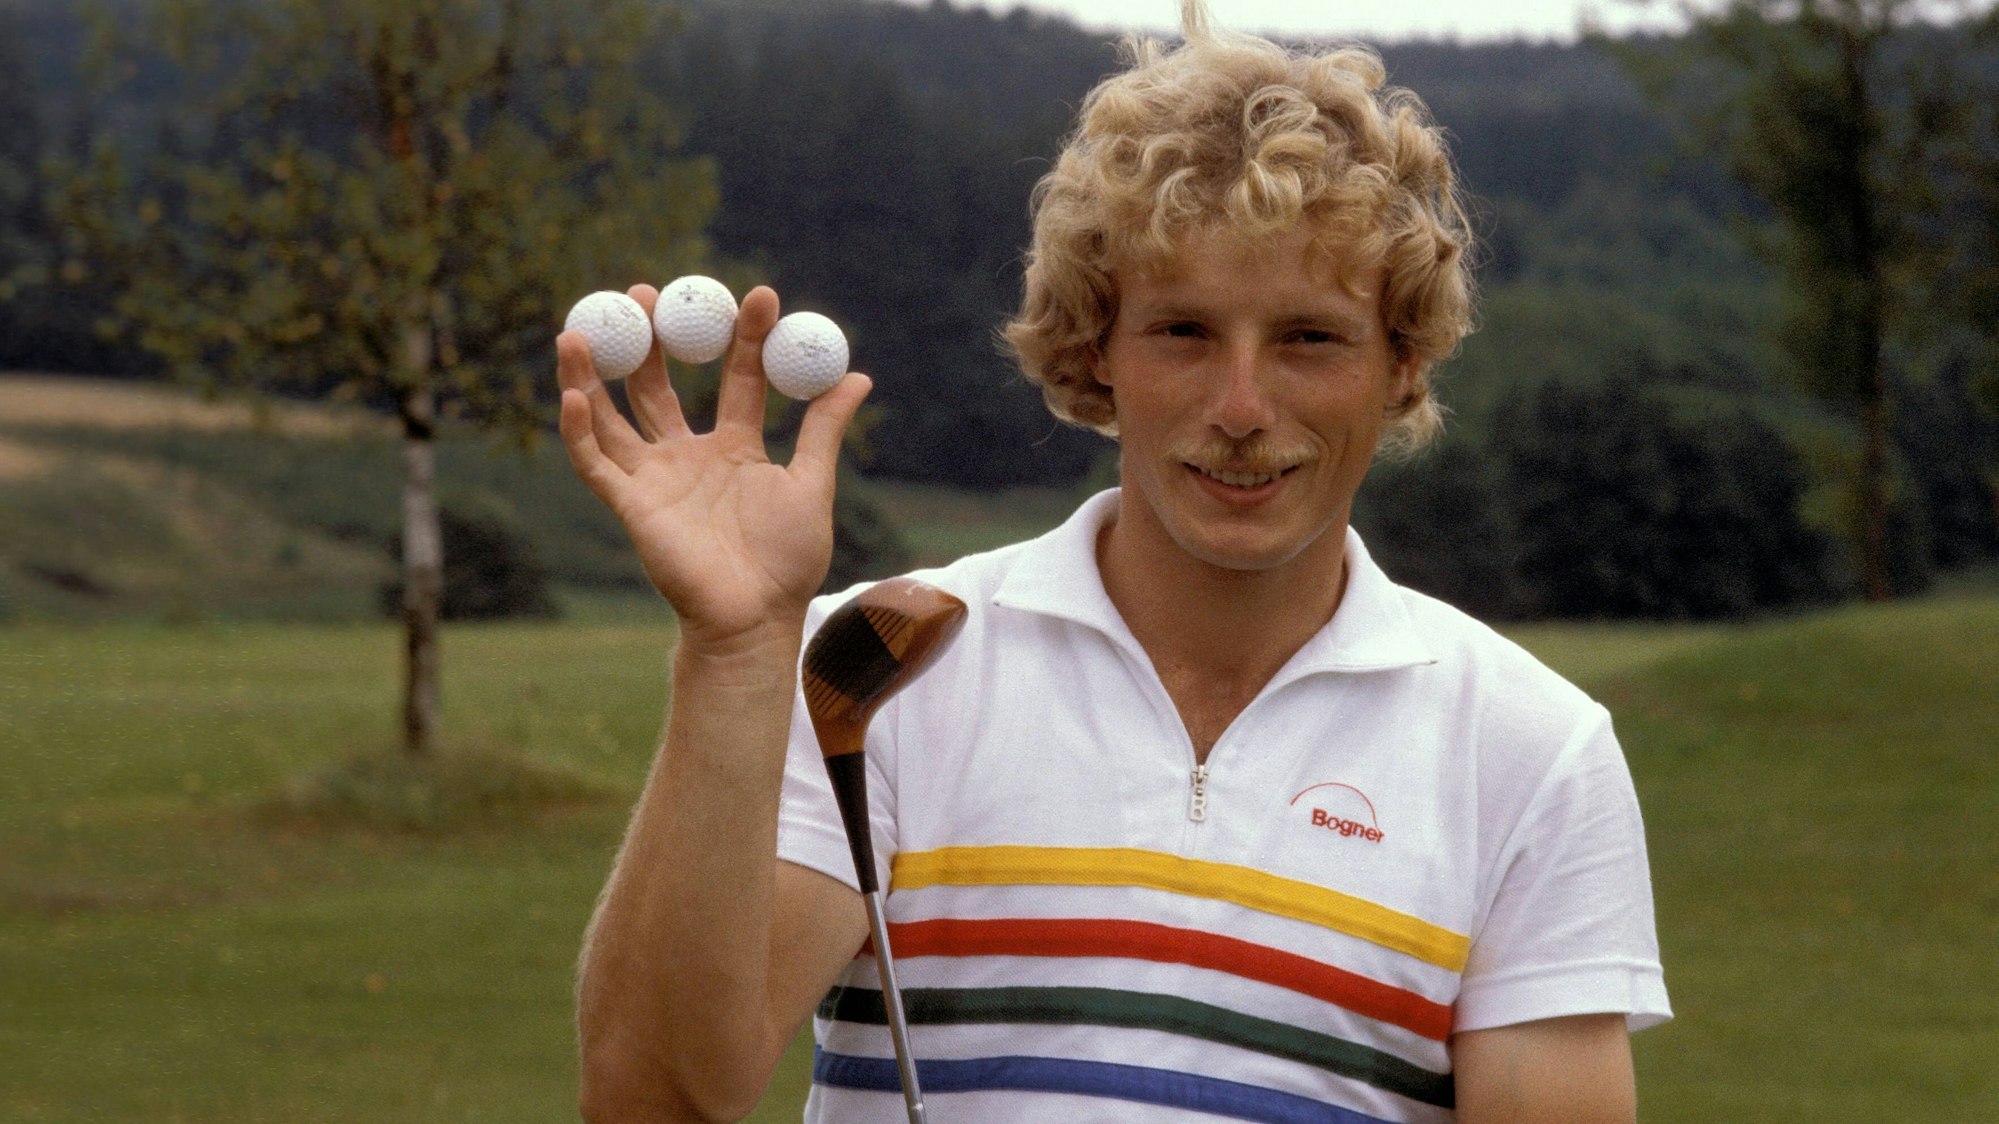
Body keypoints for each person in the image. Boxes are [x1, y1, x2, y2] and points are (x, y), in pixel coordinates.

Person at [561, 3, 1669, 1121]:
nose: (1241, 407)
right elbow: (654, 1099)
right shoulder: (867, 665)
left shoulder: (1532, 753)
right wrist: (736, 648)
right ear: (1099, 347)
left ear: (1400, 364)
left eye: (1309, 337)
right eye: (1182, 331)